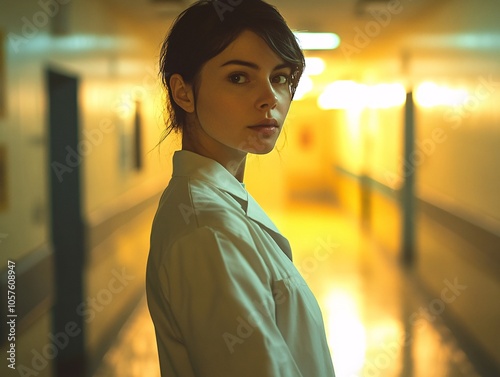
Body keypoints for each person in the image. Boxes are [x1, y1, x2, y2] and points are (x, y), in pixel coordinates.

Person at [146, 1, 336, 376]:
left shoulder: (216, 205)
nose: (271, 98)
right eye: (239, 77)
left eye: (280, 77)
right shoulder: (208, 233)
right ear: (183, 93)